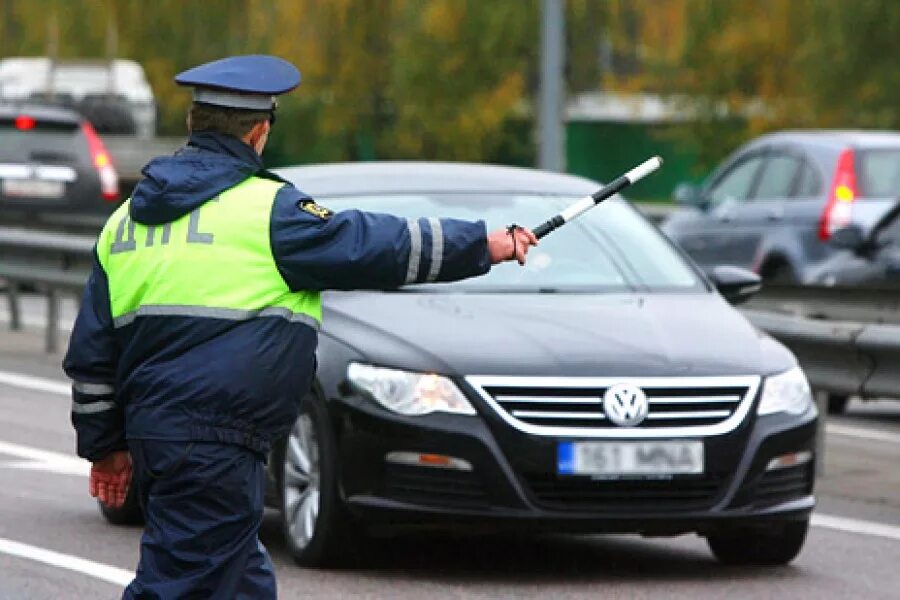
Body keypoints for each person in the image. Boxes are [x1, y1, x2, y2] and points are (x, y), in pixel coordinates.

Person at [63, 55, 537, 599]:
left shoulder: (124, 222)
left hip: (163, 435)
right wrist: (484, 244)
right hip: (218, 437)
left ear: (194, 125)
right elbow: (378, 245)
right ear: (259, 133)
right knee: (180, 584)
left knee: (240, 582)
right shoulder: (268, 211)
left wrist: (106, 446)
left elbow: (92, 355)